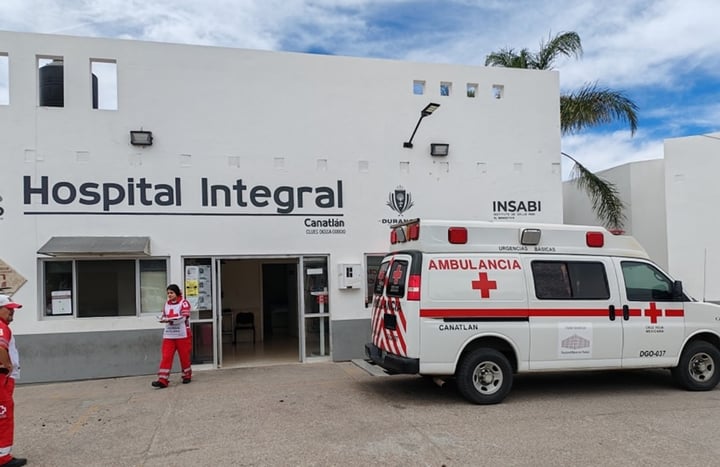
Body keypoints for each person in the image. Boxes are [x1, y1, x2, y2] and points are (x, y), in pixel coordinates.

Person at [0, 294, 27, 467]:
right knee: (4, 415)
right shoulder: (1, 327)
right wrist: (8, 365)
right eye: (9, 311)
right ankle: (3, 458)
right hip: (1, 378)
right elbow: (1, 347)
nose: (12, 315)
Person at [151, 284, 192, 388]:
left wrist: (170, 320)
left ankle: (187, 375)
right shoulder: (166, 304)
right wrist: (162, 319)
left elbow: (183, 318)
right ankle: (162, 379)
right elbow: (164, 315)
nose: (169, 295)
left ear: (176, 293)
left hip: (182, 334)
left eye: (171, 293)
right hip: (169, 334)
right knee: (166, 356)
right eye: (168, 293)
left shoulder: (184, 303)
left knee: (184, 356)